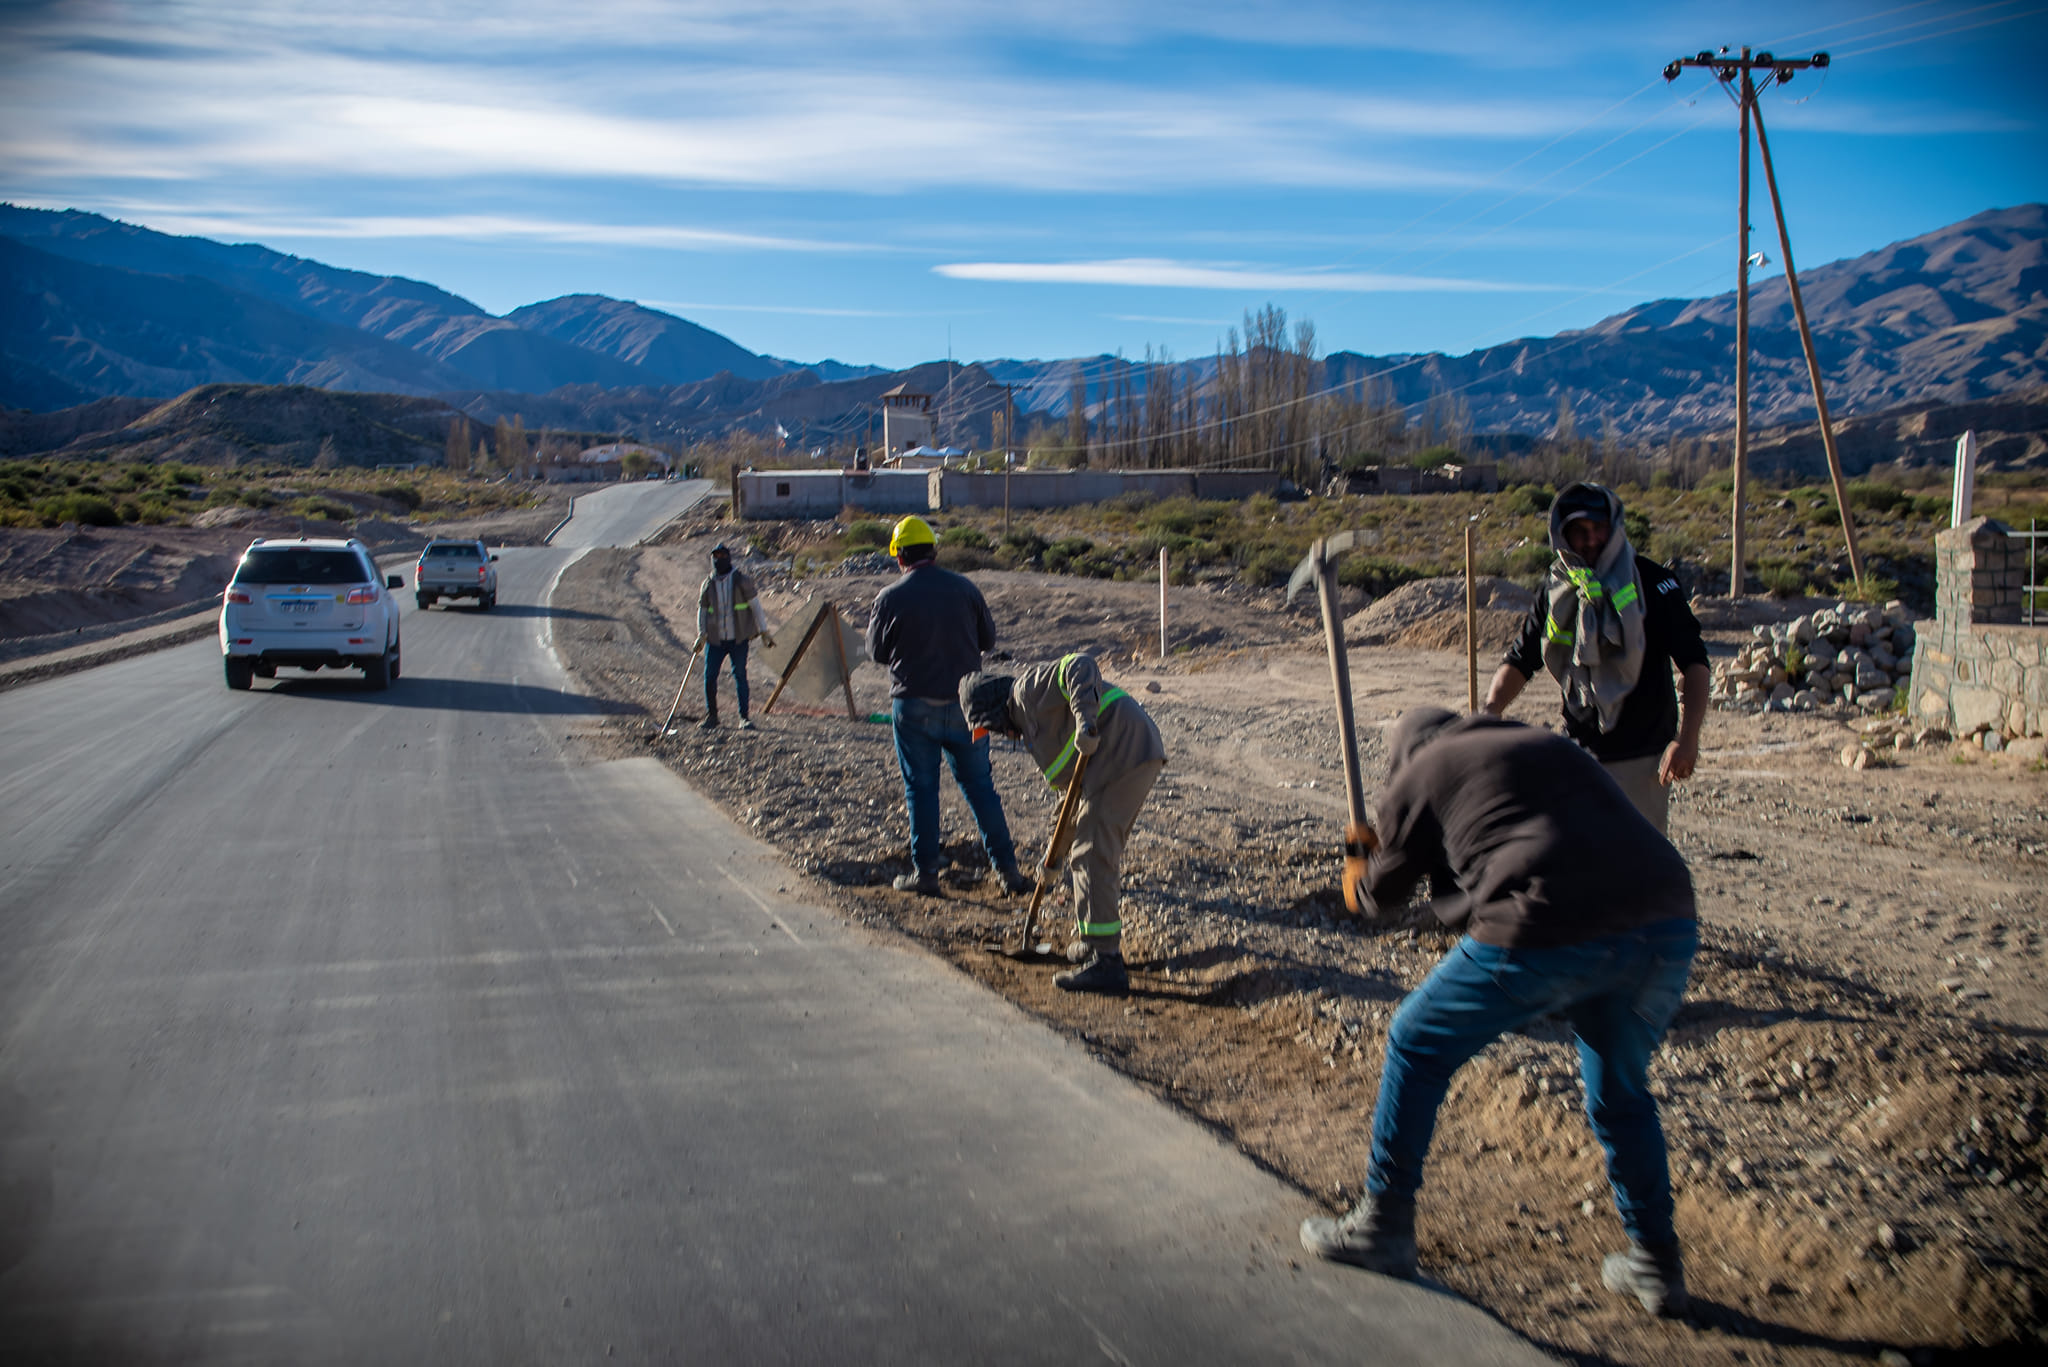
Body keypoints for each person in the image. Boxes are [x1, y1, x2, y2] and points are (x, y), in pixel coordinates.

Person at [1300, 707, 1698, 1318]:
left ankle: (1383, 1224)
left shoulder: (1421, 772)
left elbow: (1378, 900)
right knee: (1618, 1091)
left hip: (1547, 918)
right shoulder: (1540, 744)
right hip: (1665, 915)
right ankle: (1656, 1261)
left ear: (1403, 755)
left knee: (1415, 1038)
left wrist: (1359, 856)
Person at [1482, 481, 1709, 834]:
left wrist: (1688, 738)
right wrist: (1489, 713)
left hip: (1642, 758)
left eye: (1598, 529)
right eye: (1579, 532)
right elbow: (1522, 658)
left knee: (1637, 872)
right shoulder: (1557, 590)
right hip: (1578, 756)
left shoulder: (1654, 583)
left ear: (1615, 528)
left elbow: (1694, 662)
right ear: (1562, 536)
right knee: (1581, 868)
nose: (1590, 540)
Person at [962, 653, 1167, 996]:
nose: (999, 734)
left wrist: (1086, 723)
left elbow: (1080, 665)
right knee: (1084, 852)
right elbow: (1068, 802)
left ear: (994, 710)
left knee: (1092, 854)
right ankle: (1094, 941)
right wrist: (1052, 861)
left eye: (991, 726)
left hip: (1125, 751)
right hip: (1112, 765)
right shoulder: (1032, 734)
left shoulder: (1026, 691)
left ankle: (1107, 963)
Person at [865, 515, 1033, 897]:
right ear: (934, 552)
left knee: (920, 790)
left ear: (899, 556)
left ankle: (925, 874)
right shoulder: (965, 589)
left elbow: (876, 653)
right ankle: (1009, 873)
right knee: (980, 788)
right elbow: (988, 641)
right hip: (966, 708)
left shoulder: (889, 597)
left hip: (913, 707)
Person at [694, 542, 772, 731]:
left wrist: (764, 631)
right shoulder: (708, 584)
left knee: (740, 675)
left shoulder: (740, 581)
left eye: (721, 556)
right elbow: (702, 611)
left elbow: (756, 606)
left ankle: (743, 717)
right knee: (710, 676)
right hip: (715, 639)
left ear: (728, 558)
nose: (718, 560)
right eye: (715, 557)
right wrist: (701, 634)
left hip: (738, 638)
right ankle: (712, 716)